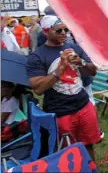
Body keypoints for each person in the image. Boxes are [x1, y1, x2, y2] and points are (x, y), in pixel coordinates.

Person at [26, 15, 101, 161]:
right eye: (58, 30)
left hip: (83, 105)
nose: (63, 33)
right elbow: (38, 88)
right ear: (46, 32)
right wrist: (60, 69)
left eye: (65, 29)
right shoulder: (37, 57)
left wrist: (81, 63)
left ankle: (91, 170)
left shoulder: (74, 48)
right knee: (67, 152)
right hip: (60, 112)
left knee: (88, 145)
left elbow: (93, 71)